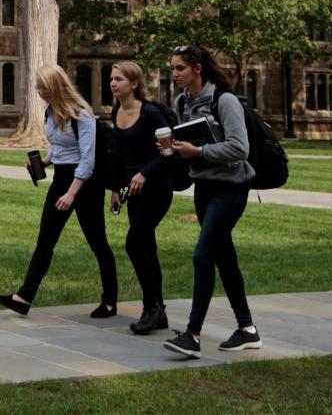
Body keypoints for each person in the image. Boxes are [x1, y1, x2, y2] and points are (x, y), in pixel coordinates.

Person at [0, 64, 118, 320]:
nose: (39, 92)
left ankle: (110, 300)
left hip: (85, 185)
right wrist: (45, 162)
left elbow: (87, 159)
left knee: (98, 243)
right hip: (61, 179)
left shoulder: (82, 115)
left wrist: (72, 194)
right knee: (45, 241)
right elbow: (61, 147)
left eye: (43, 87)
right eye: (38, 87)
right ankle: (23, 297)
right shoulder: (51, 111)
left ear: (57, 85)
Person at [162, 44, 260, 359]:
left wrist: (199, 151)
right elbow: (187, 144)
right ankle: (247, 330)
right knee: (224, 257)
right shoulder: (181, 101)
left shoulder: (225, 101)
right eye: (173, 68)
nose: (174, 74)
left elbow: (240, 148)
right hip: (203, 187)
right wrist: (172, 149)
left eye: (180, 68)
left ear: (197, 69)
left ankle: (192, 335)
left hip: (231, 188)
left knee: (203, 255)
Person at [109, 61, 175, 335]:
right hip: (132, 192)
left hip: (157, 188)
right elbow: (118, 156)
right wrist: (114, 189)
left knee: (134, 244)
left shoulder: (151, 113)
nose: (113, 83)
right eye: (111, 79)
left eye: (118, 79)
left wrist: (145, 174)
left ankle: (150, 309)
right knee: (147, 248)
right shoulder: (116, 111)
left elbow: (169, 151)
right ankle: (158, 310)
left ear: (134, 84)